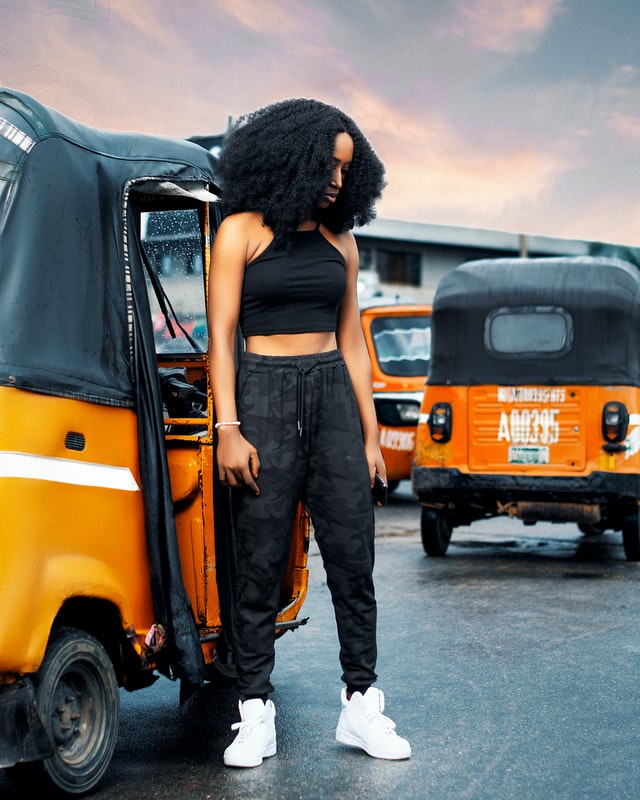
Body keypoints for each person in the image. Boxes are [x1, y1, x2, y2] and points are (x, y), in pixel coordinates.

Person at [207, 98, 411, 768]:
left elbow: (352, 343)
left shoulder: (341, 242)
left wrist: (371, 432)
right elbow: (221, 341)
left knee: (354, 560)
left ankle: (361, 706)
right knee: (259, 560)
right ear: (292, 155)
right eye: (328, 165)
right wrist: (228, 428)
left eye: (347, 171)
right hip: (261, 392)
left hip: (331, 394)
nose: (335, 181)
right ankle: (254, 713)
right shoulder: (239, 231)